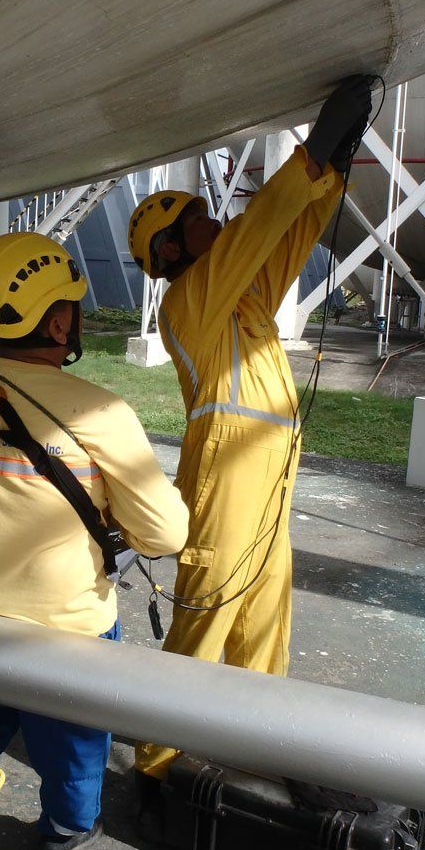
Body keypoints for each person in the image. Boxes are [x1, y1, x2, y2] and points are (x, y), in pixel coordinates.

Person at [0, 231, 189, 850]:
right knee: (77, 742)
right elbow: (167, 537)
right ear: (59, 320)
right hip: (69, 633)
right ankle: (65, 831)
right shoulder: (101, 410)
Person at [125, 76, 373, 789]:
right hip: (228, 465)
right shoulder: (186, 302)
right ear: (170, 247)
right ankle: (161, 758)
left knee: (264, 612)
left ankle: (255, 739)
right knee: (209, 604)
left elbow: (285, 239)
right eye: (200, 219)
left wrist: (331, 171)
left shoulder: (239, 292)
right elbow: (261, 227)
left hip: (269, 466)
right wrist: (314, 148)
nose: (218, 222)